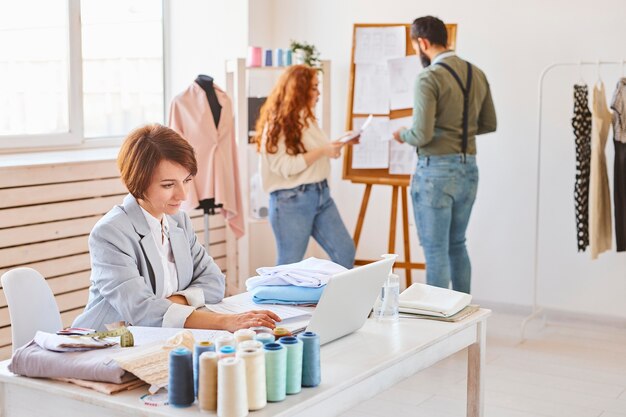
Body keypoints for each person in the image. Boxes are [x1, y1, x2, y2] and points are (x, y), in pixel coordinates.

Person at [73, 124, 279, 331]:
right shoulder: (110, 233)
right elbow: (142, 312)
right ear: (137, 182)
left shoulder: (179, 222)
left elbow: (215, 283)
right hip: (107, 343)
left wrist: (173, 302)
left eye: (187, 180)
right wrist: (225, 321)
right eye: (168, 185)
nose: (183, 195)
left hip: (161, 336)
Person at [392, 16, 497, 294]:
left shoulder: (429, 77)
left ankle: (437, 330)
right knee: (457, 245)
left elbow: (422, 135)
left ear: (423, 43)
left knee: (436, 251)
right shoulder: (477, 73)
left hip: (435, 173)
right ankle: (464, 319)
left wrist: (402, 133)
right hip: (469, 170)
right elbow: (489, 123)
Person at [255, 65, 357, 269]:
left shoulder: (306, 118)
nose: (318, 92)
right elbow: (285, 167)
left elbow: (314, 153)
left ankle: (333, 301)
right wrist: (323, 151)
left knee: (345, 253)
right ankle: (277, 301)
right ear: (299, 90)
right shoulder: (277, 124)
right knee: (288, 266)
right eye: (314, 88)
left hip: (320, 194)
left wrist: (336, 145)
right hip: (291, 200)